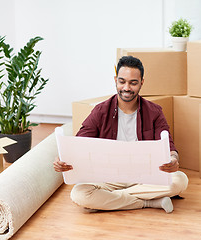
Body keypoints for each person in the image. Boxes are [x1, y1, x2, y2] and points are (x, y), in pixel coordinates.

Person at [53, 56, 188, 213]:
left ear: (142, 82)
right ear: (116, 80)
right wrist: (63, 160)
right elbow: (79, 143)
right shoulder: (100, 111)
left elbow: (169, 147)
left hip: (144, 176)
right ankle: (148, 203)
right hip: (108, 177)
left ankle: (108, 199)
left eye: (133, 83)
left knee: (180, 180)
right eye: (122, 81)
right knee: (79, 194)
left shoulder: (154, 111)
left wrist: (173, 160)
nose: (126, 88)